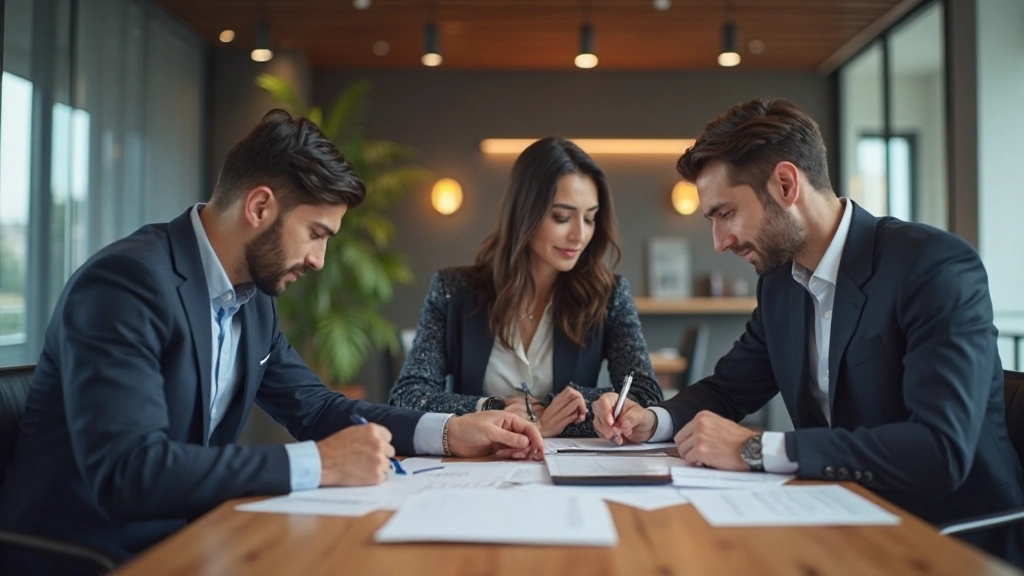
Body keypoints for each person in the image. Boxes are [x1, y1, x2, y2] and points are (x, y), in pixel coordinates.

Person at [0, 110, 544, 575]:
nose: (318, 261)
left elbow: (317, 408)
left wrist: (449, 431)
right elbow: (131, 473)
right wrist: (320, 466)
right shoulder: (127, 283)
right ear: (260, 208)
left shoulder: (251, 301)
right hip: (93, 555)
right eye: (316, 234)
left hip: (191, 540)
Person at [592, 98, 1024, 566]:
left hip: (950, 538)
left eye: (726, 213)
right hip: (840, 518)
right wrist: (652, 422)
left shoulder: (932, 266)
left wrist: (757, 448)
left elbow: (938, 450)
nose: (720, 242)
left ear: (785, 184)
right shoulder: (780, 284)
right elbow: (728, 389)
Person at [389, 137, 662, 438]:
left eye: (590, 218)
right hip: (478, 468)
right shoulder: (453, 290)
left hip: (570, 469)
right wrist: (496, 407)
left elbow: (646, 395)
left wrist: (564, 410)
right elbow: (408, 397)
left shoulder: (608, 295)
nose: (579, 235)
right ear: (524, 213)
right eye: (562, 217)